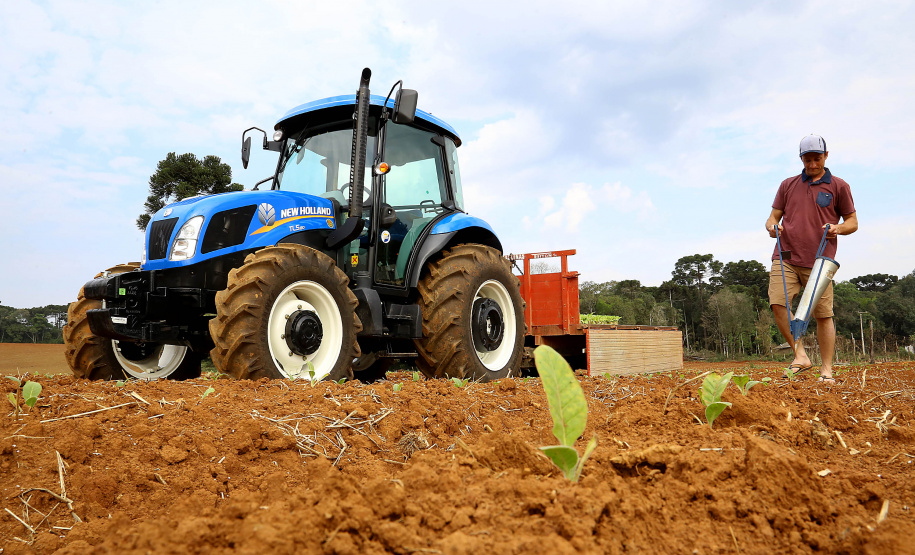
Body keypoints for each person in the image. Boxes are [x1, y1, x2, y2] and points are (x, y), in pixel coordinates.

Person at [765, 134, 858, 384]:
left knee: (823, 315)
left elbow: (853, 222)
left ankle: (826, 370)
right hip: (785, 255)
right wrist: (773, 227)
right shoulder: (788, 185)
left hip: (820, 260)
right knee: (777, 302)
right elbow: (772, 218)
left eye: (817, 159)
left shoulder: (839, 186)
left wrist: (837, 228)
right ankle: (800, 355)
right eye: (807, 160)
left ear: (826, 156)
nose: (812, 164)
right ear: (801, 159)